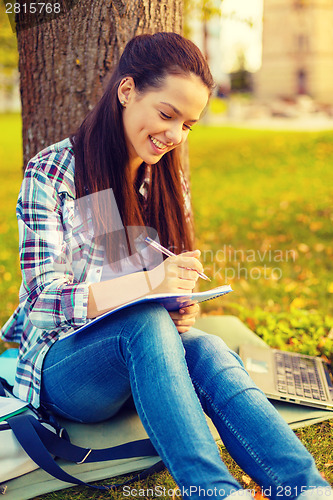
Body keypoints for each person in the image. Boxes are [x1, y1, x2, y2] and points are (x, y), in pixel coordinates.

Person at [1, 32, 331, 500]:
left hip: (146, 355)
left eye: (189, 124)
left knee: (209, 348)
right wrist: (147, 286)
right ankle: (213, 492)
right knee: (142, 318)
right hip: (66, 371)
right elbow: (40, 302)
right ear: (127, 91)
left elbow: (160, 293)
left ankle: (305, 489)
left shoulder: (165, 178)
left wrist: (178, 304)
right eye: (166, 114)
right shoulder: (53, 173)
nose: (175, 135)